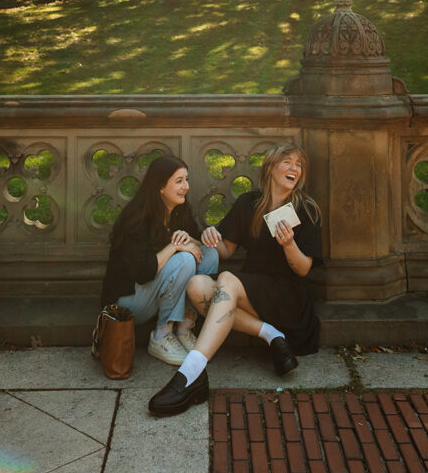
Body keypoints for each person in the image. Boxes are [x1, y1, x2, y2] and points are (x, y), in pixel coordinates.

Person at [148, 143, 322, 415]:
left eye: (299, 164)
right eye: (288, 162)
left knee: (226, 280)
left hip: (290, 299)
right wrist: (207, 237)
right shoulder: (249, 203)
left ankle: (190, 374)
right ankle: (271, 334)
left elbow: (303, 270)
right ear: (271, 167)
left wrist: (289, 245)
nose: (294, 168)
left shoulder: (306, 209)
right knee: (196, 285)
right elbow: (225, 250)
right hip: (251, 293)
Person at [100, 154, 219, 365]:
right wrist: (174, 246)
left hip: (157, 291)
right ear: (160, 187)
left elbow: (197, 249)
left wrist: (190, 239)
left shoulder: (178, 211)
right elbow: (143, 272)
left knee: (210, 254)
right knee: (184, 259)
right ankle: (161, 336)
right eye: (179, 181)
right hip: (130, 300)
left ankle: (183, 328)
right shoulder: (136, 219)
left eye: (187, 179)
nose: (186, 186)